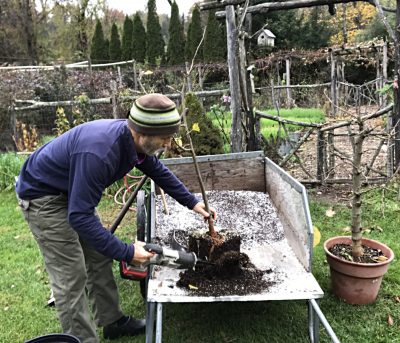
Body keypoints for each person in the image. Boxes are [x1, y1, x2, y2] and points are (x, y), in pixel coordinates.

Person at [16, 93, 216, 343]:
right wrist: (127, 252)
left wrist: (193, 203)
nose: (168, 144)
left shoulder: (132, 141)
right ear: (144, 132)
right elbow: (79, 217)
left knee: (98, 254)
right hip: (43, 197)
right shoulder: (100, 152)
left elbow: (157, 170)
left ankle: (112, 322)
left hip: (71, 190)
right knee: (71, 273)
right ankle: (82, 340)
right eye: (165, 138)